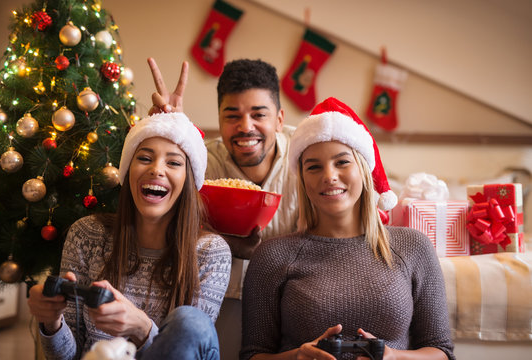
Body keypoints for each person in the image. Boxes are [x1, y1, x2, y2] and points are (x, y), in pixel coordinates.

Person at [241, 97, 455, 360]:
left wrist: (394, 357)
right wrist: (297, 356)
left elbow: (441, 352)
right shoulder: (272, 255)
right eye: (314, 166)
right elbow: (252, 356)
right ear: (303, 179)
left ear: (363, 170)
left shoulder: (413, 247)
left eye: (342, 162)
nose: (329, 176)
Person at [27, 112, 232, 360]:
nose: (156, 169)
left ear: (189, 179)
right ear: (128, 171)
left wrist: (141, 328)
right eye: (144, 158)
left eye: (174, 163)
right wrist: (52, 323)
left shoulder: (211, 252)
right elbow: (68, 357)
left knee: (189, 321)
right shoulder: (87, 235)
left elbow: (191, 347)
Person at [148, 58, 298, 359]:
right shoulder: (199, 160)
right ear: (219, 119)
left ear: (279, 119)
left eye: (259, 115)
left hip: (290, 303)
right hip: (218, 302)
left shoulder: (306, 156)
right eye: (232, 116)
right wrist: (169, 130)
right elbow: (160, 217)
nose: (246, 127)